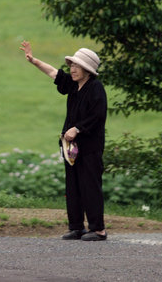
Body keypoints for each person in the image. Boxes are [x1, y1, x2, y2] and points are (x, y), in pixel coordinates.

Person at [20, 41, 107, 241]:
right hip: (72, 148)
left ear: (87, 70)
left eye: (76, 66)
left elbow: (98, 115)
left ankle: (98, 229)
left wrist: (77, 129)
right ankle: (77, 227)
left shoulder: (96, 88)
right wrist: (33, 61)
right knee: (73, 186)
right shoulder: (74, 85)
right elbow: (53, 73)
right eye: (72, 66)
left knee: (90, 186)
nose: (72, 69)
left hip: (90, 147)